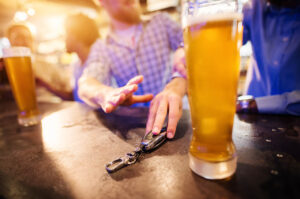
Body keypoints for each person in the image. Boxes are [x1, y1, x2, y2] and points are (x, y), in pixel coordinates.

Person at [78, 0, 187, 139]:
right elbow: (86, 82)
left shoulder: (161, 21)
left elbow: (194, 47)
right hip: (137, 132)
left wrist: (176, 84)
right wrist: (107, 94)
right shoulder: (102, 47)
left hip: (178, 120)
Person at [236, 0, 300, 116]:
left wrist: (257, 104)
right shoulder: (254, 8)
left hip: (294, 123)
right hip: (248, 118)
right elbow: (226, 42)